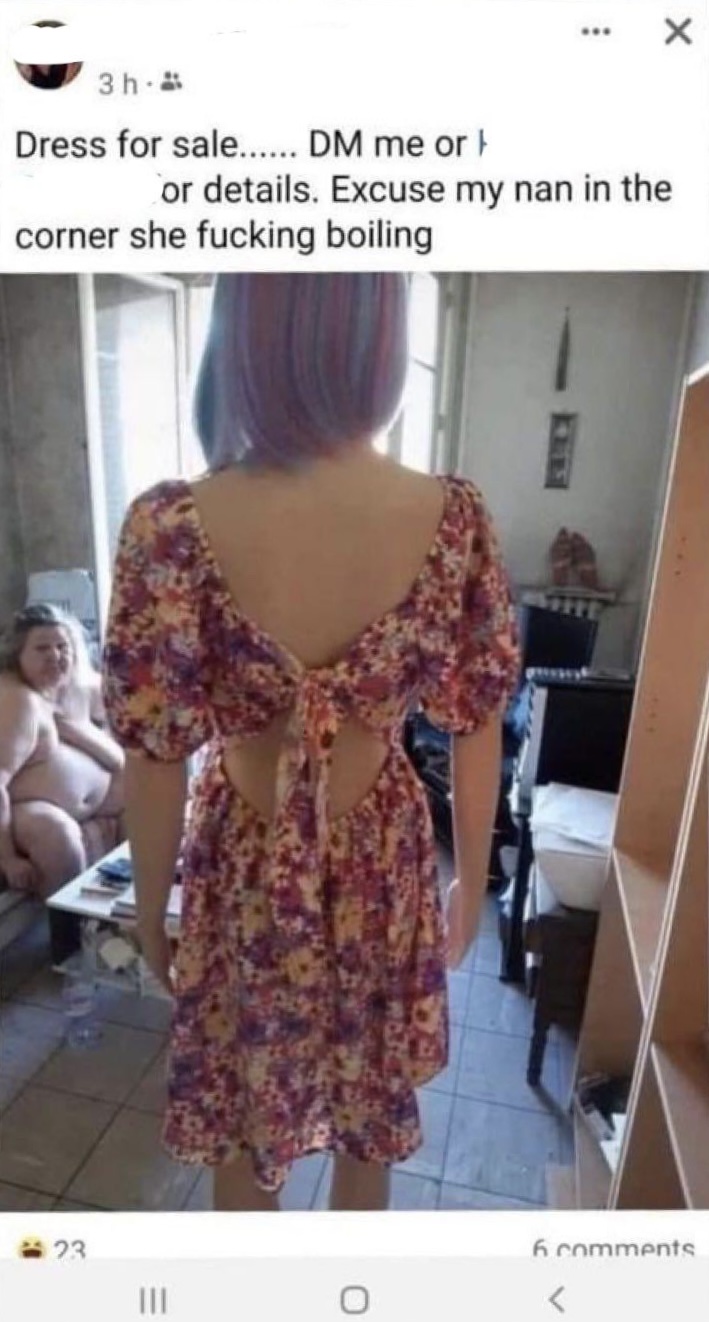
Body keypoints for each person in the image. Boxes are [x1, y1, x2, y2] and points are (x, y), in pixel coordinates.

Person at [102, 273, 520, 1213]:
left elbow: (154, 750)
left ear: (242, 330)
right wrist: (470, 876)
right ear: (381, 336)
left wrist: (152, 906)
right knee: (367, 1121)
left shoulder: (170, 525)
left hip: (243, 861)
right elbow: (477, 717)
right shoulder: (451, 518)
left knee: (242, 1121)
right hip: (383, 853)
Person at [0, 604, 125, 897]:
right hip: (28, 809)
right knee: (57, 834)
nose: (55, 656)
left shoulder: (79, 685)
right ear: (17, 655)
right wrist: (7, 858)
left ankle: (134, 913)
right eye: (41, 648)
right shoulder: (18, 700)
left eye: (62, 646)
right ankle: (66, 927)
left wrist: (76, 731)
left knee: (150, 794)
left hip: (93, 802)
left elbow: (122, 754)